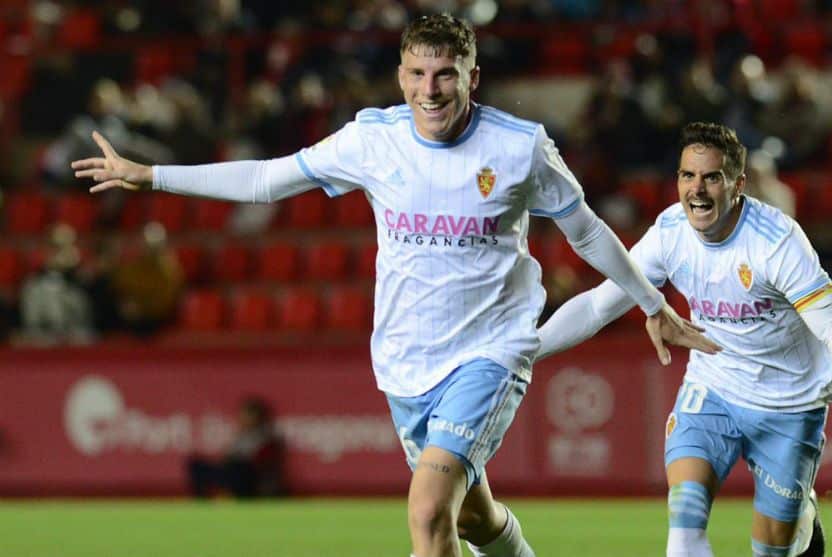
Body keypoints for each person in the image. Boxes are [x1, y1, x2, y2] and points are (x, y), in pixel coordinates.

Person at [72, 14, 719, 557]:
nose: (430, 90)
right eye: (417, 74)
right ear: (401, 76)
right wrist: (151, 175)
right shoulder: (372, 140)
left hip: (490, 353)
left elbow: (586, 231)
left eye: (445, 75)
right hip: (406, 363)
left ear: (472, 77)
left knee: (428, 513)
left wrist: (652, 302)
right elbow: (269, 180)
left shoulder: (518, 147)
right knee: (473, 519)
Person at [537, 122, 832, 557]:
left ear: (738, 184)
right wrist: (526, 351)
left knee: (772, 550)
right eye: (687, 176)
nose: (697, 190)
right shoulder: (670, 233)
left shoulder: (776, 243)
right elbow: (598, 306)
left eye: (712, 177)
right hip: (715, 390)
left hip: (789, 403)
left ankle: (801, 517)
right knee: (684, 516)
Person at [187, 397, 286, 499]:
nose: (244, 418)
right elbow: (226, 456)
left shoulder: (267, 437)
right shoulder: (240, 436)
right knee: (196, 464)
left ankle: (234, 497)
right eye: (243, 414)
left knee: (239, 467)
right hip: (230, 469)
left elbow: (261, 464)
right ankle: (203, 500)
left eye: (248, 415)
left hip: (248, 475)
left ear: (258, 416)